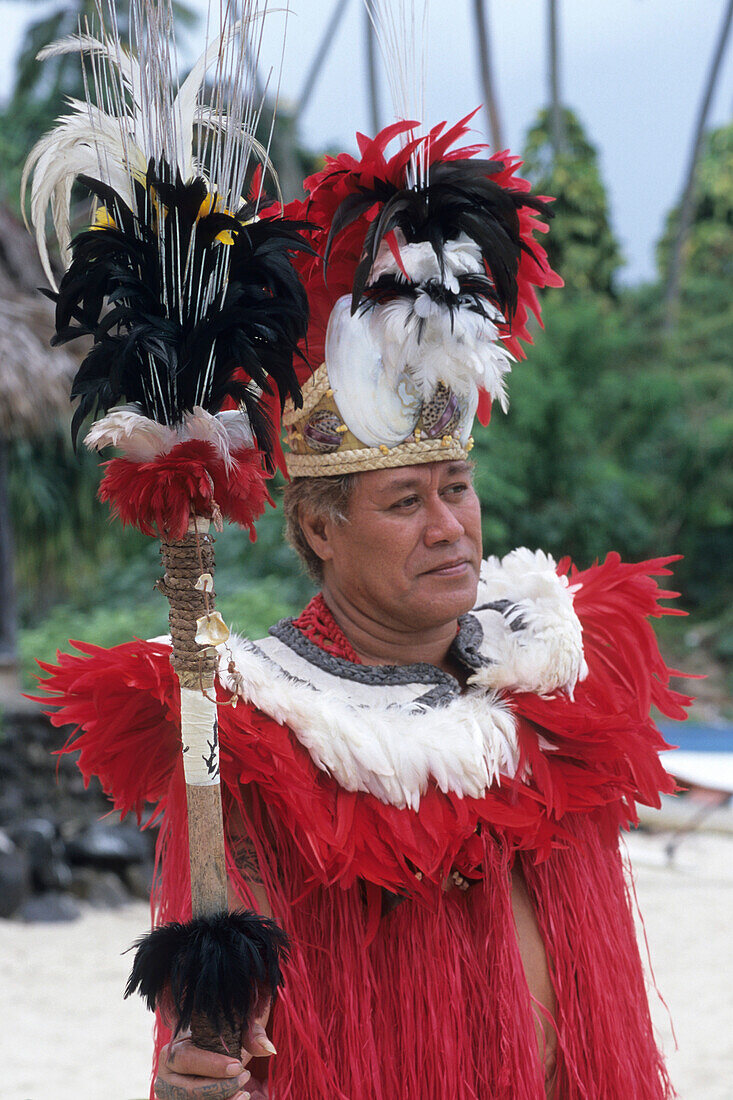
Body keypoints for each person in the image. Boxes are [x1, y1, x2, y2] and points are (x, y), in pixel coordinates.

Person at [40, 116, 690, 1100]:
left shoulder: (560, 663)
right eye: (403, 499)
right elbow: (221, 1034)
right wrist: (197, 1072)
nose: (447, 524)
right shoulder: (260, 723)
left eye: (456, 486)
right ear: (318, 530)